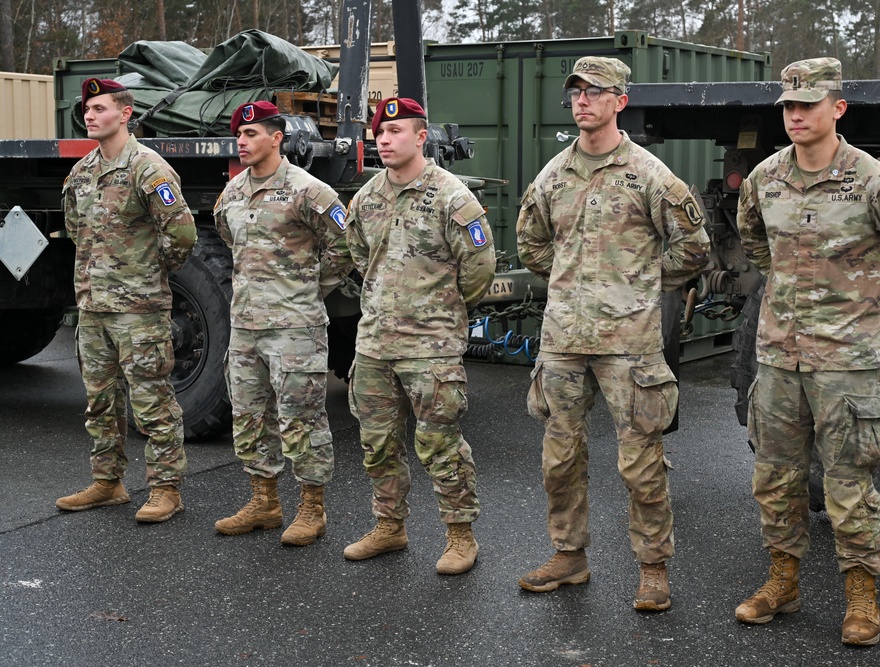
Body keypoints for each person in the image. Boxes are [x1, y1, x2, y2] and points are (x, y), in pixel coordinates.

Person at [735, 58, 880, 645]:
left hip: (846, 362)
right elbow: (755, 241)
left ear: (838, 108)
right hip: (779, 357)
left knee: (849, 486)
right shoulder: (765, 179)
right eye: (789, 106)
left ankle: (861, 597)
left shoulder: (876, 182)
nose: (796, 115)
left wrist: (868, 287)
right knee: (775, 479)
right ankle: (783, 582)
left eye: (808, 104)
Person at [516, 57, 711, 611]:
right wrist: (574, 281)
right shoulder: (553, 175)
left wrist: (638, 284)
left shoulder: (649, 175)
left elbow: (693, 248)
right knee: (559, 459)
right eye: (576, 91)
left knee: (641, 463)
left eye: (594, 91)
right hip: (564, 340)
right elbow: (530, 243)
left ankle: (653, 569)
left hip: (629, 342)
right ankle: (568, 556)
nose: (582, 100)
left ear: (620, 101)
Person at [342, 97, 495, 575]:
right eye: (379, 134)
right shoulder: (367, 197)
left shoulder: (452, 197)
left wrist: (441, 310)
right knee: (377, 443)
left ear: (421, 137)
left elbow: (479, 268)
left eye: (396, 132)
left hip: (431, 347)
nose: (384, 140)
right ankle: (389, 526)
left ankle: (460, 536)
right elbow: (359, 256)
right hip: (375, 343)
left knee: (440, 444)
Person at [213, 101, 353, 547]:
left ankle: (312, 509)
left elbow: (345, 245)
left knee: (301, 418)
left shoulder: (309, 191)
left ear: (277, 138)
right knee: (250, 416)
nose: (242, 141)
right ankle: (264, 502)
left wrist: (309, 287)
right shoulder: (232, 192)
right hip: (245, 327)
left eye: (251, 134)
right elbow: (227, 238)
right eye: (239, 135)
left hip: (295, 327)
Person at [57, 78, 196, 523]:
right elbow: (76, 229)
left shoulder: (147, 168)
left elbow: (181, 233)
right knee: (100, 401)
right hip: (93, 307)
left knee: (152, 401)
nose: (90, 115)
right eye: (87, 109)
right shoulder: (82, 171)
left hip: (139, 310)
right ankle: (108, 482)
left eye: (100, 108)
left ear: (125, 113)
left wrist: (148, 274)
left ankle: (166, 489)